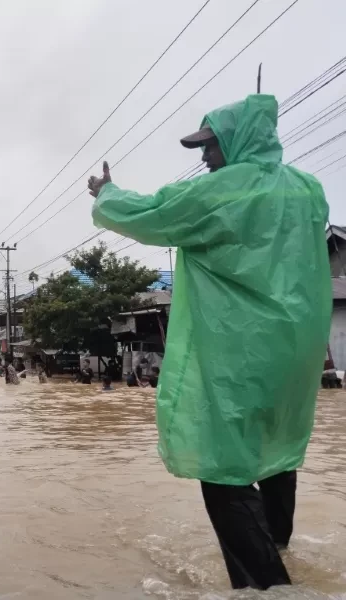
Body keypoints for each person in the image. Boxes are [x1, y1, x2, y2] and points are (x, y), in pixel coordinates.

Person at [88, 94, 331, 590]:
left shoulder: (223, 191)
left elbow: (153, 214)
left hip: (238, 346)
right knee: (278, 450)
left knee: (223, 466)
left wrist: (107, 193)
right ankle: (281, 548)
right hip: (297, 346)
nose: (203, 157)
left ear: (237, 141)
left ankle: (267, 585)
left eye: (210, 145)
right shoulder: (310, 188)